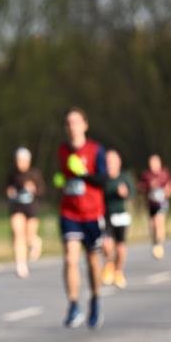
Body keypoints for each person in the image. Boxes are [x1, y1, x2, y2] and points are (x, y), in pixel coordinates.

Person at [54, 107, 107, 329]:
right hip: (70, 212)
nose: (72, 127)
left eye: (75, 122)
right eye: (68, 123)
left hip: (92, 213)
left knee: (93, 261)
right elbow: (61, 174)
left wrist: (84, 173)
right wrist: (60, 180)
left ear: (85, 125)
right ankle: (74, 305)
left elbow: (103, 180)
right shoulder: (62, 151)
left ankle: (95, 299)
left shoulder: (96, 150)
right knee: (70, 258)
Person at [5, 147, 45, 279]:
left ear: (28, 161)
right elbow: (7, 187)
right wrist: (9, 192)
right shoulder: (12, 173)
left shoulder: (34, 173)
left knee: (29, 237)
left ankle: (36, 242)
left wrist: (33, 189)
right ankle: (20, 264)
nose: (20, 163)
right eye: (18, 160)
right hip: (17, 207)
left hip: (31, 208)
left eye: (22, 161)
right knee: (18, 234)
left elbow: (42, 190)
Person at [101, 149, 135, 288]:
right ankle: (109, 264)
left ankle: (118, 271)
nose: (109, 164)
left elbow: (131, 194)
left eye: (112, 161)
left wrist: (125, 193)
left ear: (118, 162)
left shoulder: (124, 177)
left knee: (120, 247)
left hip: (120, 215)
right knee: (106, 244)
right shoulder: (103, 178)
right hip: (105, 215)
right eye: (107, 161)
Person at [138, 154, 171, 260]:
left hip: (162, 202)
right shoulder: (146, 175)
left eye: (155, 163)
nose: (153, 165)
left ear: (159, 163)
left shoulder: (164, 173)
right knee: (152, 225)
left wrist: (168, 191)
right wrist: (149, 186)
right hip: (151, 203)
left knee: (159, 221)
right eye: (151, 163)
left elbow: (170, 184)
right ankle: (155, 242)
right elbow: (140, 187)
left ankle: (159, 244)